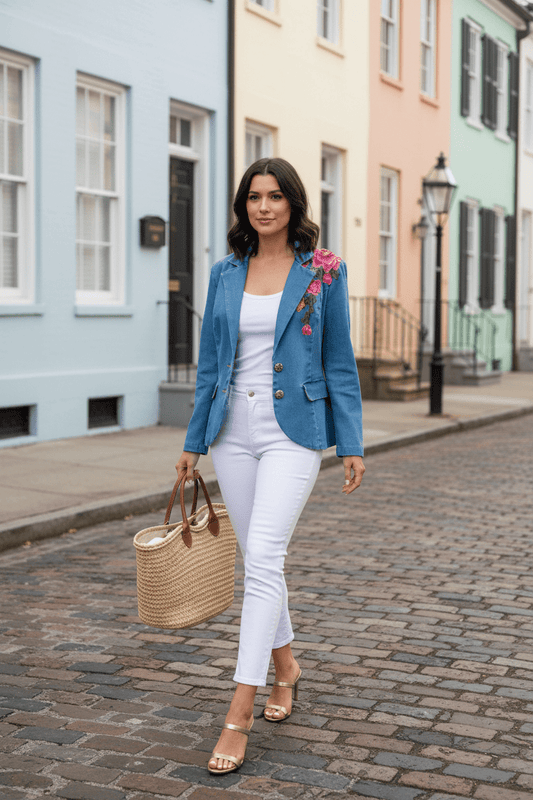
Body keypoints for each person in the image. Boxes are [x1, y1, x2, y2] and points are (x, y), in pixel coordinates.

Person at [175, 157, 365, 775]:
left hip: (295, 432)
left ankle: (239, 707)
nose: (264, 207)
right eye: (254, 197)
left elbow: (339, 360)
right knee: (260, 558)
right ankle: (286, 666)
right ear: (243, 206)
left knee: (262, 556)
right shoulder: (225, 274)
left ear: (293, 205)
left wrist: (352, 441)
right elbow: (210, 363)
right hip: (232, 429)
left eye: (275, 197)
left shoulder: (322, 273)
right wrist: (194, 438)